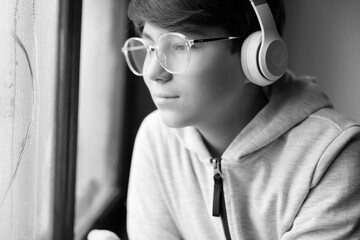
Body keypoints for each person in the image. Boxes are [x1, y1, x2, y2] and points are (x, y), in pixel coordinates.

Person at [88, 0, 360, 239]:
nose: (154, 72)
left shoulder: (333, 158)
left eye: (180, 47)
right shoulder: (157, 139)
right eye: (148, 47)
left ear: (258, 55)